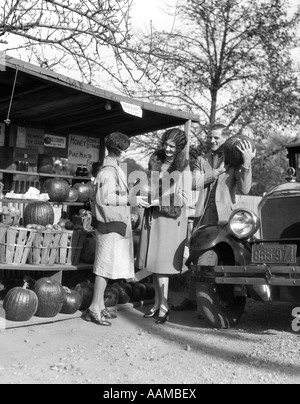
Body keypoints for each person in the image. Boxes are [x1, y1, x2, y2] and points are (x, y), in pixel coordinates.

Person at [173, 123, 256, 311]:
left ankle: (218, 301)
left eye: (216, 138)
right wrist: (217, 172)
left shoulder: (235, 162)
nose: (211, 140)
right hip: (203, 216)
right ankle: (192, 299)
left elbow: (245, 188)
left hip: (225, 219)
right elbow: (194, 182)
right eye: (210, 137)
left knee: (225, 257)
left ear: (226, 139)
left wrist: (247, 162)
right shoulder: (202, 160)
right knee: (196, 256)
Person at [84, 132, 149, 326]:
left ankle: (100, 306)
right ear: (119, 150)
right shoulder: (108, 172)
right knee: (103, 269)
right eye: (125, 150)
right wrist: (133, 199)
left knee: (108, 267)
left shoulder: (112, 170)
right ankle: (94, 309)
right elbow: (107, 198)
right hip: (109, 226)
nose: (126, 154)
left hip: (114, 225)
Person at [136, 128, 192, 325]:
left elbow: (184, 198)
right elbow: (148, 189)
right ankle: (157, 304)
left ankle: (164, 307)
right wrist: (142, 197)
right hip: (152, 219)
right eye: (165, 145)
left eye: (172, 146)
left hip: (169, 221)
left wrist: (158, 201)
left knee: (161, 266)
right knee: (152, 265)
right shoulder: (155, 163)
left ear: (179, 148)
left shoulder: (184, 168)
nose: (167, 149)